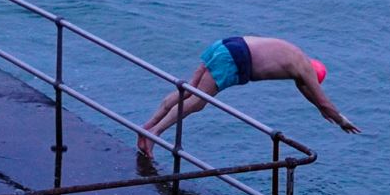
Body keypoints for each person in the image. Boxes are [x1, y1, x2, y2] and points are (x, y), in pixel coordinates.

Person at [136, 35, 360, 157]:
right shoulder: (305, 71)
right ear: (314, 74)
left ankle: (147, 127)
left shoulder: (298, 56)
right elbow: (320, 100)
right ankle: (153, 135)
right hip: (236, 57)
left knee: (187, 90)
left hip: (227, 43)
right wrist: (341, 120)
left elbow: (312, 98)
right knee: (197, 101)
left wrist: (322, 111)